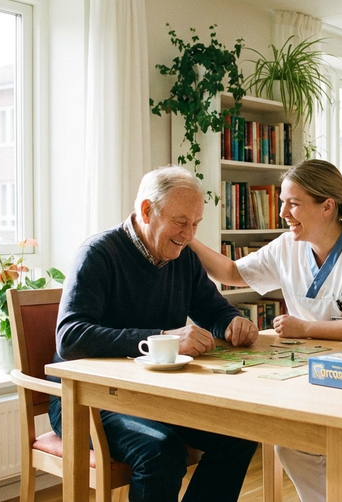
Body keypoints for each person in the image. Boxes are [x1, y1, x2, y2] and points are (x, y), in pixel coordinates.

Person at [188, 159, 342, 502]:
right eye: (282, 202)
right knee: (293, 441)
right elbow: (232, 272)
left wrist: (305, 327)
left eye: (292, 203)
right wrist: (185, 234)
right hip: (323, 378)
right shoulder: (286, 248)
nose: (282, 212)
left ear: (327, 206)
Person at [49, 165, 260, 502]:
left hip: (157, 395)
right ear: (147, 210)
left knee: (243, 434)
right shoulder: (98, 254)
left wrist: (234, 321)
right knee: (161, 451)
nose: (188, 234)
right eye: (180, 221)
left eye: (195, 224)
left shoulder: (184, 257)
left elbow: (214, 309)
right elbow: (71, 336)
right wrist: (162, 337)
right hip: (88, 400)